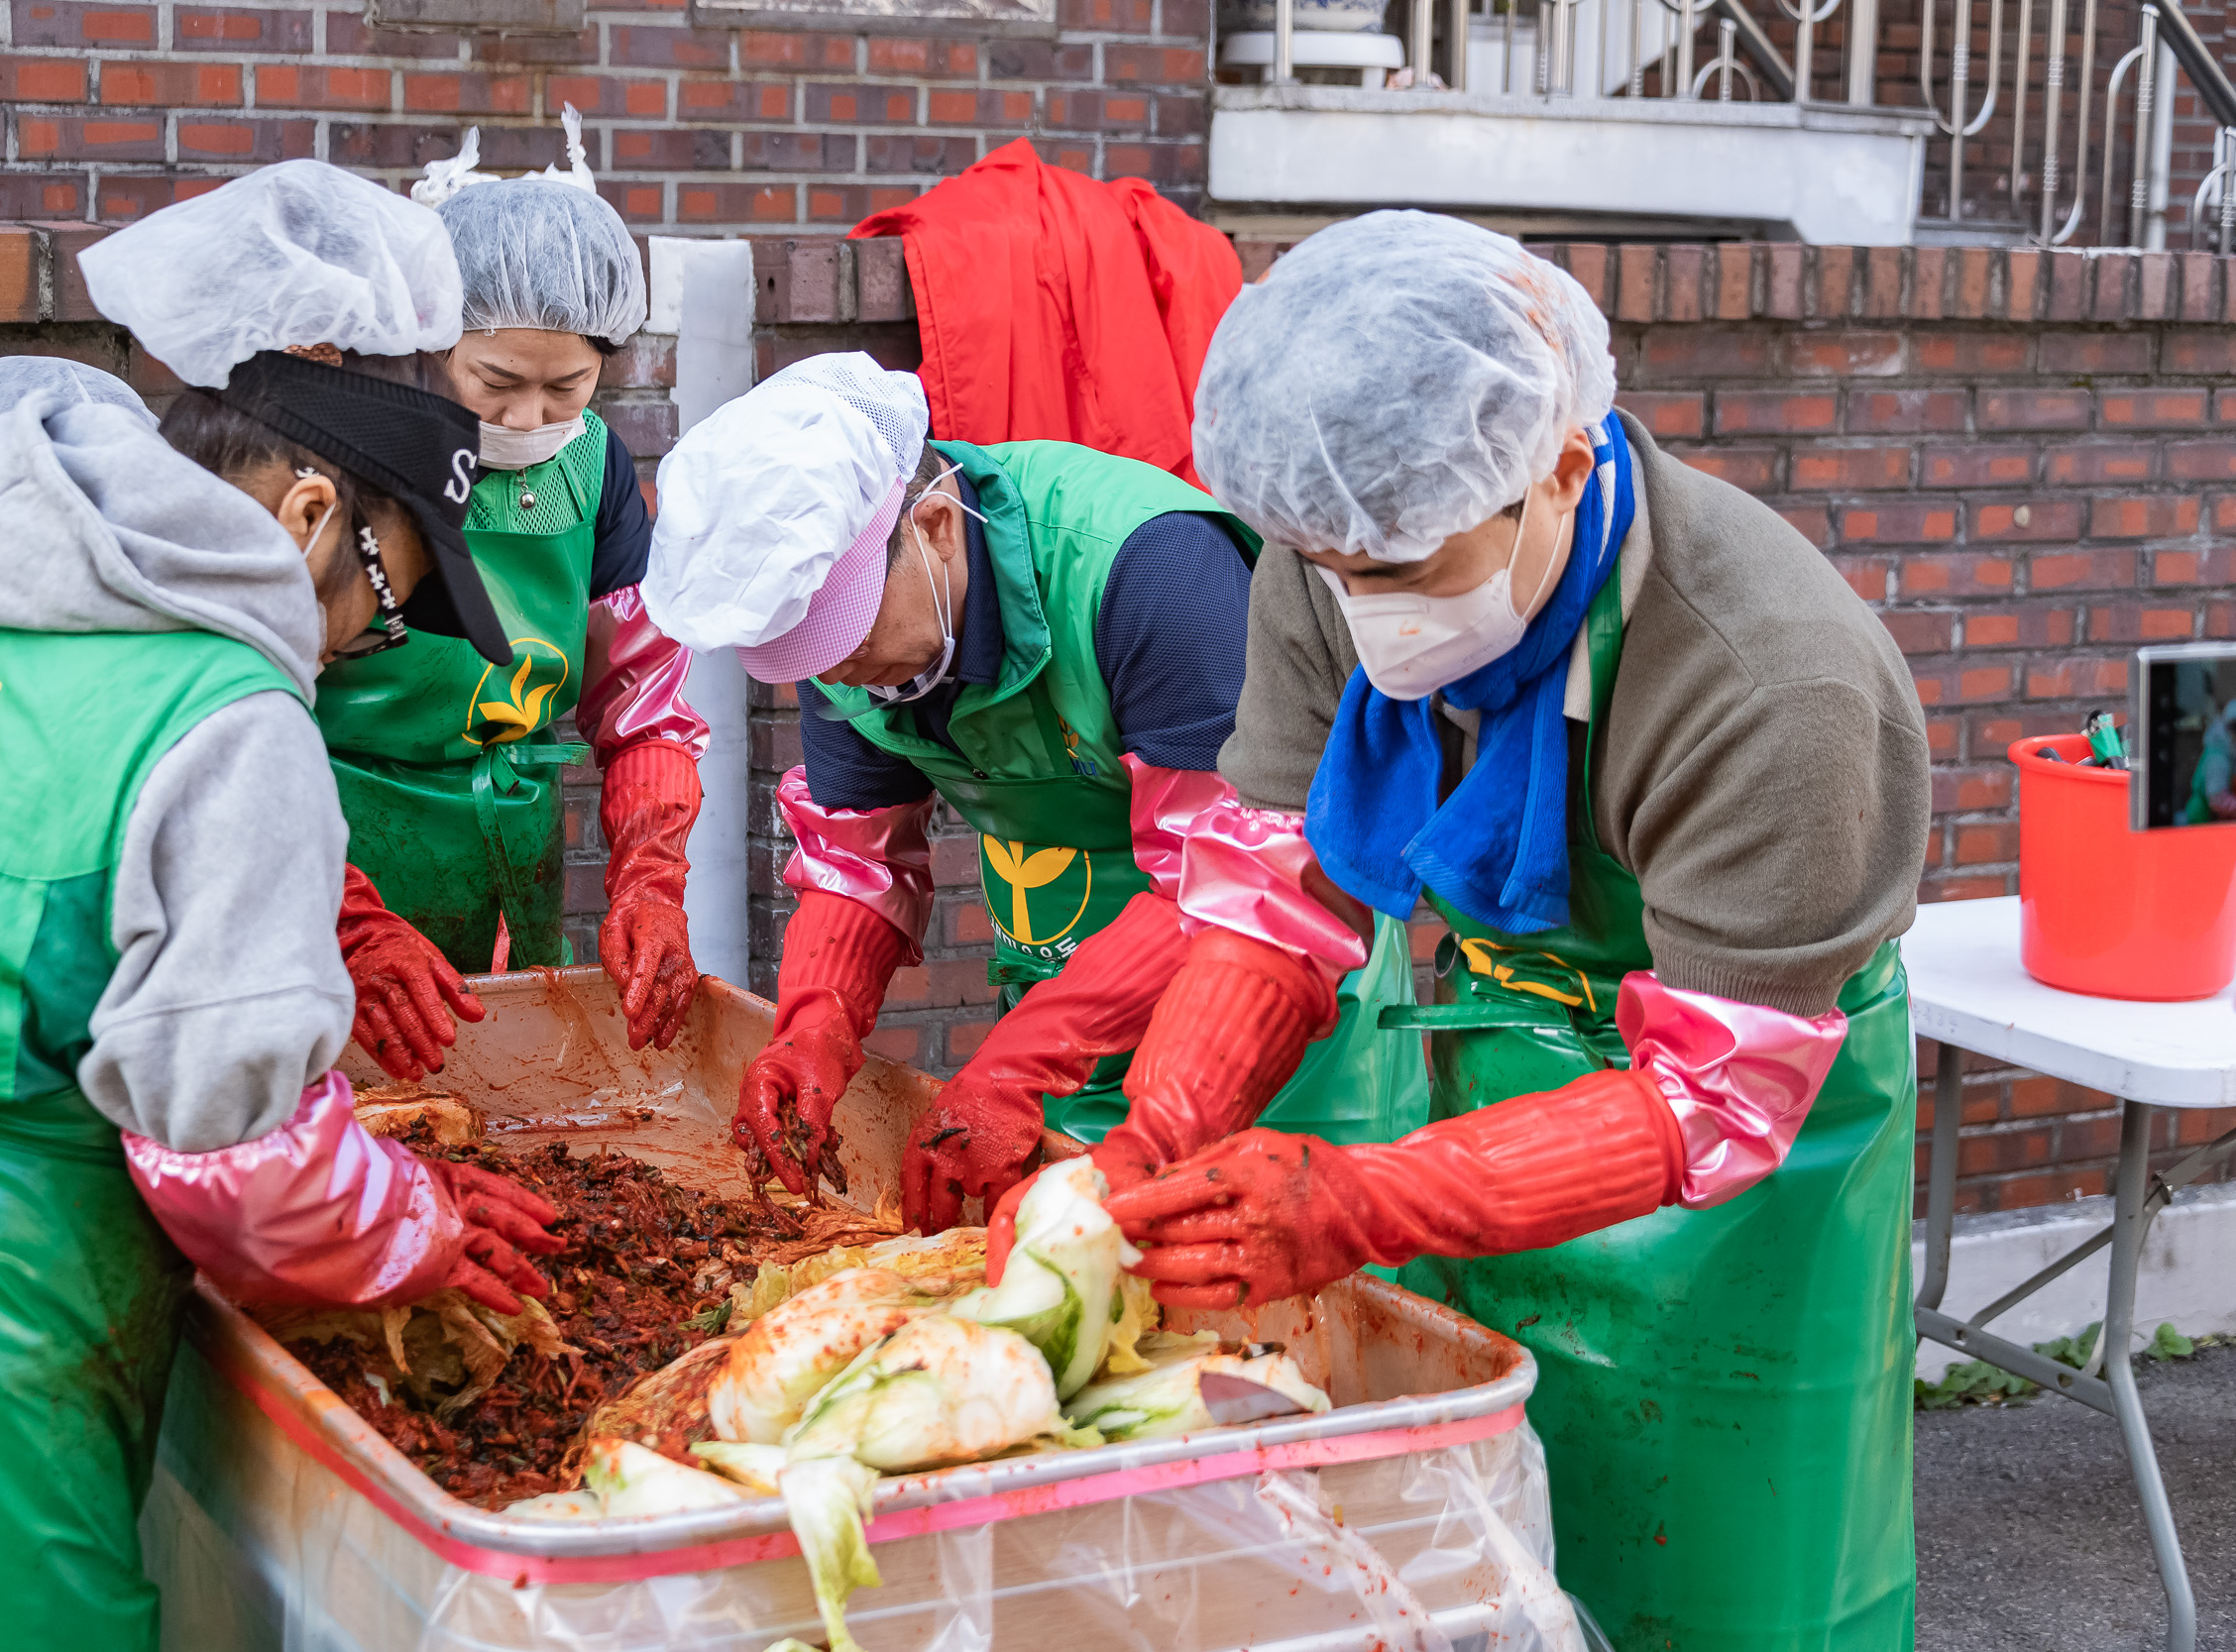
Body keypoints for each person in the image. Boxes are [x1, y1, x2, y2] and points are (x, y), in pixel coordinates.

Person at [1094, 212, 1931, 1651]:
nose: (1365, 614)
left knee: (1722, 1580)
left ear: (1557, 459)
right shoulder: (1335, 537)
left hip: (1747, 1167)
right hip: (1497, 1083)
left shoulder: (1770, 682)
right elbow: (1277, 888)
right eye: (1330, 567)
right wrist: (1152, 1132)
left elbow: (1712, 1096)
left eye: (1409, 568)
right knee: (1481, 1551)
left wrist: (1362, 1200)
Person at [0, 165, 562, 1651]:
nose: (362, 647)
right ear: (312, 510)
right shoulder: (226, 707)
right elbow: (233, 1152)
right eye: (385, 600)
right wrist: (413, 1226)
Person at [639, 353, 1417, 1231]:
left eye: (845, 632)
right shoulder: (849, 641)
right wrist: (814, 1024)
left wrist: (1020, 1061)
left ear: (934, 526)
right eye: (806, 653)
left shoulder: (1153, 573)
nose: (835, 674)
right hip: (1074, 1005)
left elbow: (1231, 878)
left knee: (1277, 1289)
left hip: (1279, 1008)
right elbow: (857, 857)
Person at [327, 122, 708, 1079]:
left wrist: (650, 876)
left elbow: (642, 700)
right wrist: (346, 918)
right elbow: (234, 710)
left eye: (567, 385)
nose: (530, 418)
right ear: (430, 339)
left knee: (490, 1108)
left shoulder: (599, 468)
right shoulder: (342, 455)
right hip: (333, 842)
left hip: (511, 846)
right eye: (495, 382)